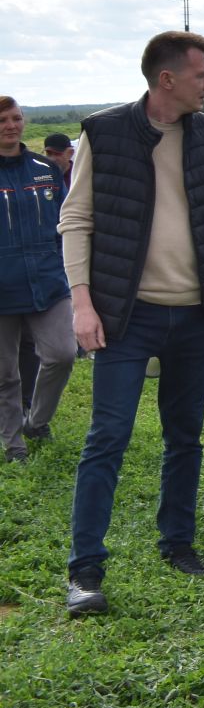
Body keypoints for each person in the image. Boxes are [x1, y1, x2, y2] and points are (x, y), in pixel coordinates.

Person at [59, 31, 204, 616]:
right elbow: (77, 219)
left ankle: (178, 543)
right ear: (166, 79)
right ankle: (85, 570)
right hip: (127, 315)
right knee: (107, 438)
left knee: (185, 437)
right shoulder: (105, 132)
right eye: (201, 75)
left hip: (197, 316)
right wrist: (82, 302)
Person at [1, 96, 78, 459]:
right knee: (7, 374)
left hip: (49, 281)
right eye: (3, 120)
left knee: (62, 354)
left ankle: (37, 420)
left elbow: (68, 222)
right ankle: (13, 443)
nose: (11, 126)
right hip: (3, 287)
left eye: (16, 118)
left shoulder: (44, 169)